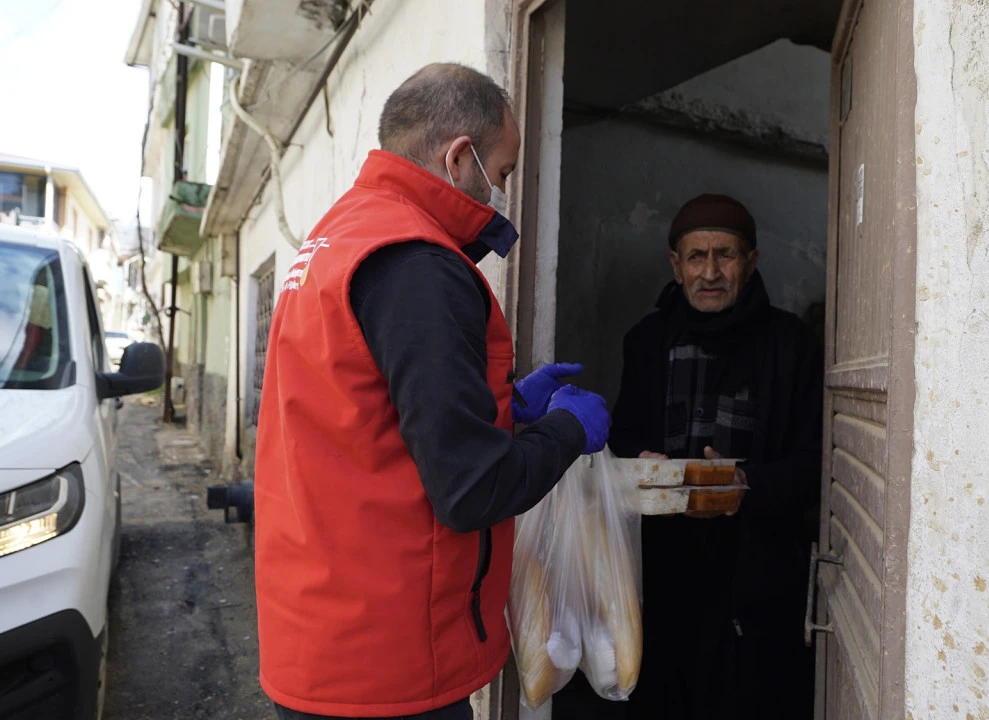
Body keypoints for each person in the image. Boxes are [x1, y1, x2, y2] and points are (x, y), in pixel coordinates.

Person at [253, 63, 611, 720]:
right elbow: (472, 490)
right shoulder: (418, 263)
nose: (500, 193)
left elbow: (364, 407)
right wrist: (565, 431)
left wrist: (500, 399)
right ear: (458, 157)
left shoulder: (341, 236)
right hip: (387, 661)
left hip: (322, 629)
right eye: (500, 174)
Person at [553, 194, 823, 719]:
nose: (711, 271)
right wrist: (641, 459)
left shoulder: (792, 347)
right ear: (675, 267)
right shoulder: (647, 342)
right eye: (696, 257)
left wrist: (748, 484)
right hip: (664, 572)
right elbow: (623, 439)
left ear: (751, 261)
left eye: (725, 254)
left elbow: (816, 466)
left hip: (755, 578)